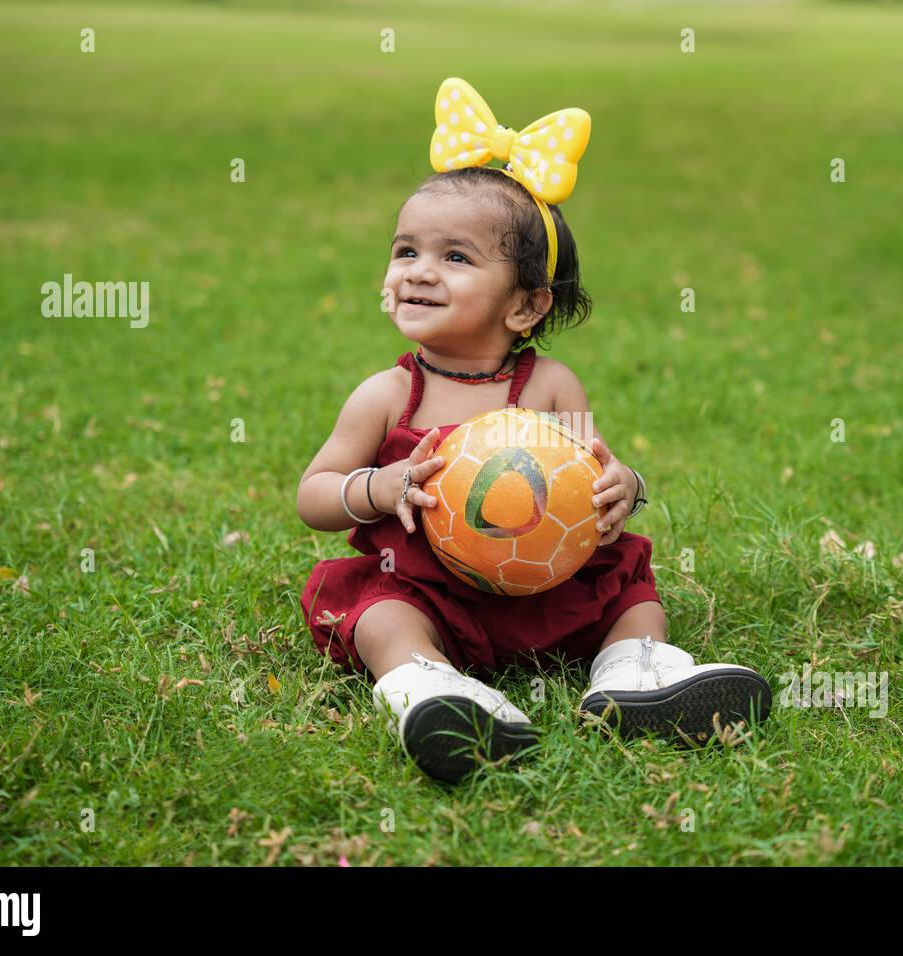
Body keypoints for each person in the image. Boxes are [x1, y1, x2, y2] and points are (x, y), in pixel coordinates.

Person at [297, 77, 771, 784]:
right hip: (432, 593)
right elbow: (314, 495)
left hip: (548, 588)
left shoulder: (550, 387)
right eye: (406, 252)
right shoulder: (388, 395)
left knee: (631, 594)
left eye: (455, 258)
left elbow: (591, 474)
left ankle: (634, 678)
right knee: (380, 615)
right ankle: (431, 689)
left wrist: (624, 488)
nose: (420, 272)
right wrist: (380, 487)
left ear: (525, 305)